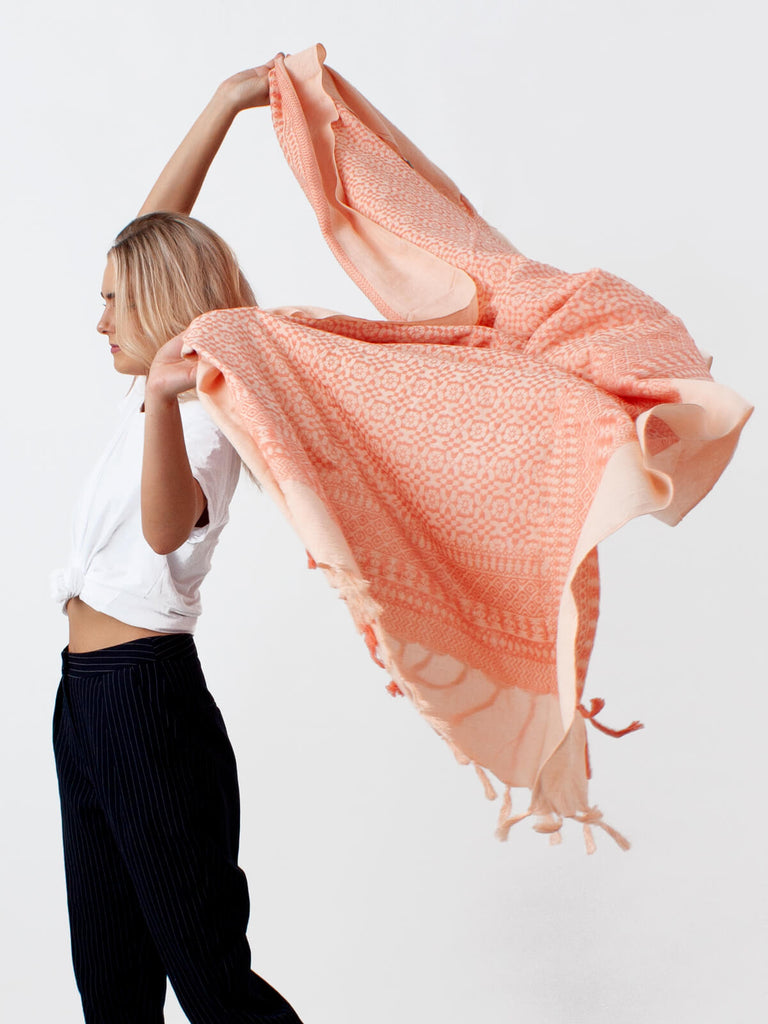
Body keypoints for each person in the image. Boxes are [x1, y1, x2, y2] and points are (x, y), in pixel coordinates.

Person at [51, 59, 304, 1023]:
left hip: (148, 705)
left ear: (157, 311)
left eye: (114, 303)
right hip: (84, 704)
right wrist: (228, 104)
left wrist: (161, 397)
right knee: (111, 984)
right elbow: (149, 238)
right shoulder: (155, 385)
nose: (98, 319)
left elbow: (166, 531)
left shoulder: (201, 407)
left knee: (208, 976)